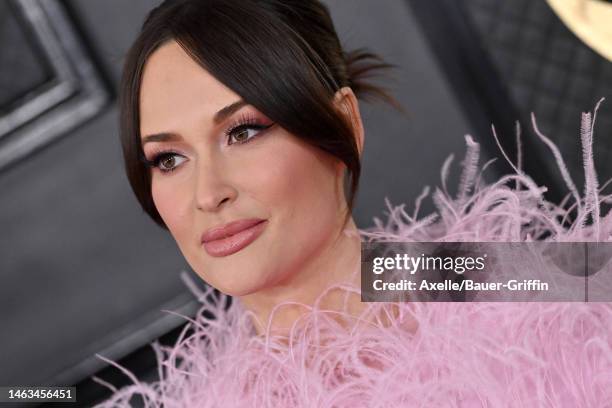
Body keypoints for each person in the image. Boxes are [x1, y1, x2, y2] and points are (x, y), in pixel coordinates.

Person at [95, 0, 612, 406]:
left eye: (244, 131)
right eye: (167, 160)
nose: (208, 194)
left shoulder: (520, 282)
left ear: (343, 121)